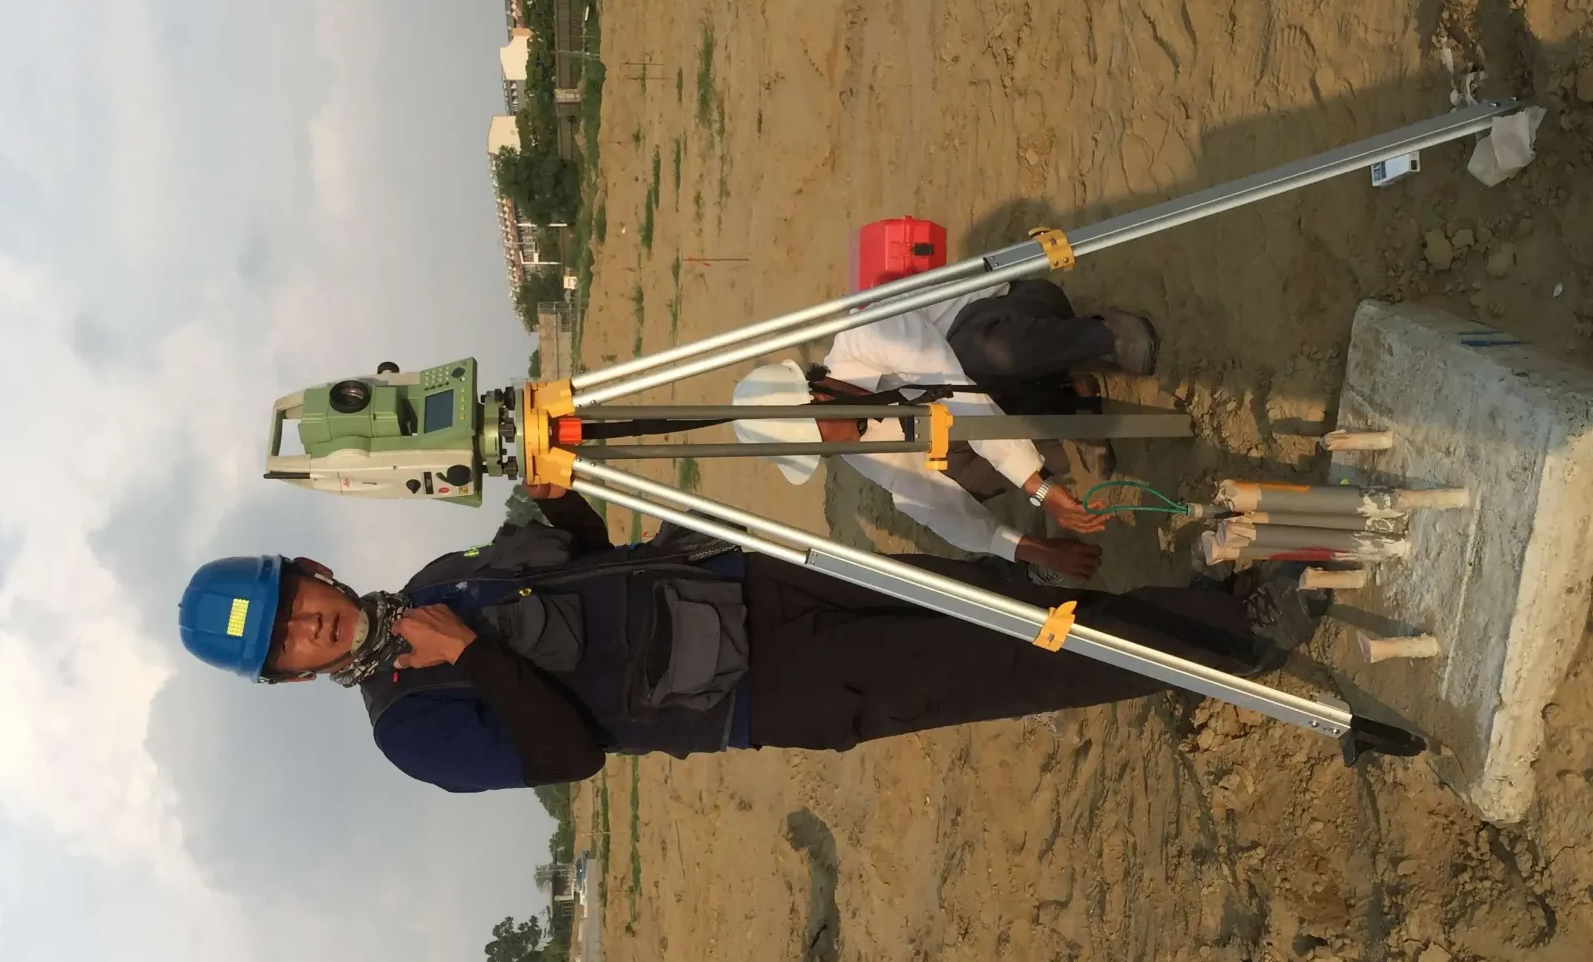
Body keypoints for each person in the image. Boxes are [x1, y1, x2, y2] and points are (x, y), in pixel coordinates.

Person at [177, 485, 1325, 793]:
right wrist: (471, 659)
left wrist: (553, 489)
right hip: (764, 685)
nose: (308, 625)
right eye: (287, 644)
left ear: (311, 571)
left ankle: (1201, 609)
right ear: (292, 674)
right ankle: (1247, 633)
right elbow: (571, 756)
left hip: (749, 578)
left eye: (294, 601)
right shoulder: (409, 729)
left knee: (986, 591)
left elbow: (576, 554)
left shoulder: (439, 577)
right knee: (1011, 658)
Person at [732, 279, 1161, 581]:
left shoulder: (864, 335)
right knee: (946, 472)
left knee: (977, 362)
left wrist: (1040, 490)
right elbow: (928, 501)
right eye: (821, 451)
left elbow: (958, 391)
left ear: (818, 396)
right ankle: (1070, 402)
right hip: (1003, 395)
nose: (834, 448)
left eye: (821, 437)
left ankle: (1102, 334)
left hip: (1018, 316)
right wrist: (1029, 548)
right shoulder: (855, 444)